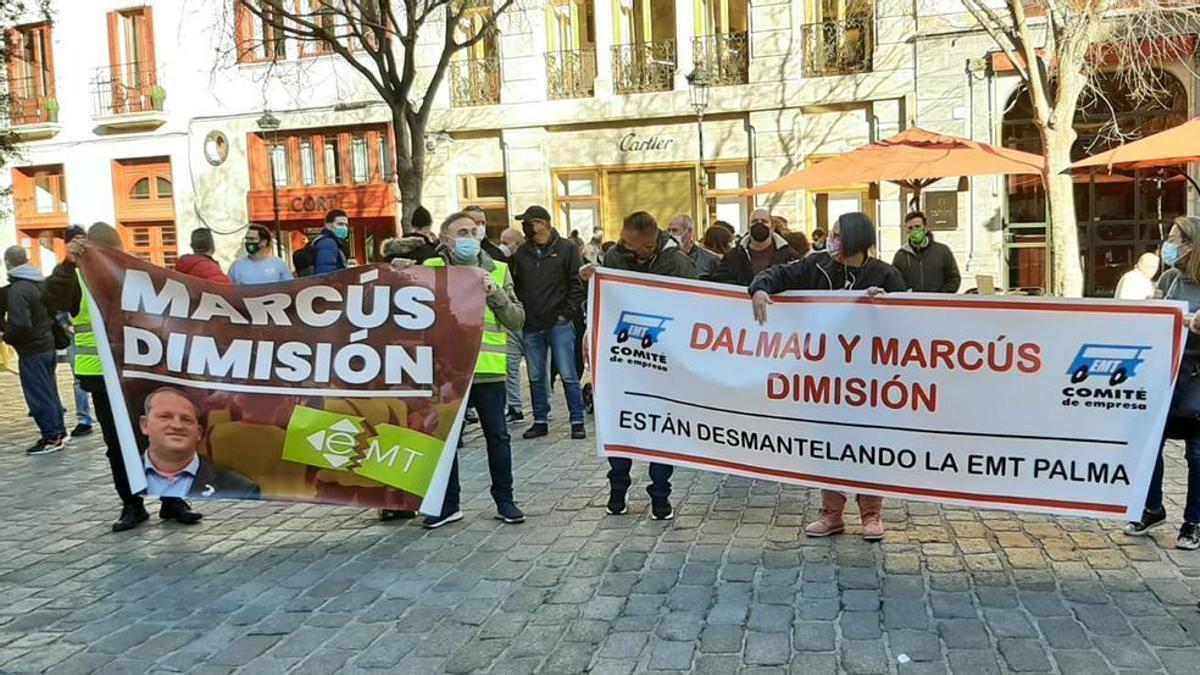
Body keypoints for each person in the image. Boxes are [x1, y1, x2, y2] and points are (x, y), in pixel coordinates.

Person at [748, 212, 907, 541]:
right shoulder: (816, 265)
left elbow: (908, 322)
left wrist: (887, 305)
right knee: (828, 442)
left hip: (869, 381)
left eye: (837, 235)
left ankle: (871, 513)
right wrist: (760, 289)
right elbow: (778, 273)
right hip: (825, 379)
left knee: (867, 443)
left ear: (856, 240)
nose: (831, 241)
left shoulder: (885, 274)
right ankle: (831, 512)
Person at [44, 223, 201, 531]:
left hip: (142, 373)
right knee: (117, 444)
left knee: (159, 437)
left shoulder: (135, 275)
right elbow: (51, 300)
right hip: (102, 376)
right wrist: (66, 263)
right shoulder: (75, 277)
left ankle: (171, 501)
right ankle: (132, 504)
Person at [406, 212, 526, 528]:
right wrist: (399, 275)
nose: (471, 237)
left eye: (474, 231)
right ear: (446, 239)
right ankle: (448, 505)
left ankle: (505, 500)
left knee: (498, 437)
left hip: (487, 370)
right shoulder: (430, 270)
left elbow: (516, 319)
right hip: (447, 371)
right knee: (445, 441)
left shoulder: (497, 268)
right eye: (463, 232)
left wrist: (496, 294)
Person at [582, 211, 696, 520]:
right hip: (624, 359)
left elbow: (694, 309)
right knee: (621, 420)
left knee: (661, 427)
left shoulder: (678, 265)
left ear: (647, 247)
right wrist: (593, 281)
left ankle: (660, 496)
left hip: (665, 362)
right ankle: (617, 491)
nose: (620, 246)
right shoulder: (618, 256)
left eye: (628, 243)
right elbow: (605, 298)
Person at [1126, 216, 1200, 550]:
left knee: (1197, 454)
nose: (1167, 245)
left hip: (1197, 376)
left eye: (1174, 238)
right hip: (1167, 373)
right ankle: (1153, 507)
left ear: (1192, 244)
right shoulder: (1170, 277)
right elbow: (1154, 316)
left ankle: (1194, 521)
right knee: (1150, 443)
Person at [509, 205, 587, 440]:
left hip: (559, 322)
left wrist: (566, 313)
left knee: (568, 373)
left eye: (530, 223)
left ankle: (577, 420)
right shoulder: (522, 254)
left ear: (543, 223)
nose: (526, 228)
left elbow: (577, 284)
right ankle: (540, 419)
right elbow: (515, 285)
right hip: (532, 324)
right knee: (535, 376)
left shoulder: (566, 249)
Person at [141, 387, 259, 501]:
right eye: (165, 417)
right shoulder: (123, 479)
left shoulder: (240, 490)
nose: (177, 426)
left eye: (186, 419)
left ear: (199, 432)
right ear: (145, 425)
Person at [2, 245, 66, 455]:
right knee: (50, 392)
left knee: (38, 394)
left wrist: (7, 336)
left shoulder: (19, 289)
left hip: (31, 349)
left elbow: (20, 324)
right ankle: (59, 431)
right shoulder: (39, 283)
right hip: (47, 345)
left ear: (8, 263)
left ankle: (51, 436)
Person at [706, 208, 799, 286]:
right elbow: (720, 283)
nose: (759, 224)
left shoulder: (790, 257)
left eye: (764, 221)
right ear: (749, 227)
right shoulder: (733, 257)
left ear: (772, 227)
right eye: (754, 222)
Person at [62, 224, 93, 439]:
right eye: (77, 240)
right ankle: (84, 419)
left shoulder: (97, 270)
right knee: (79, 383)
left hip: (106, 347)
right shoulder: (69, 275)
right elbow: (54, 302)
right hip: (81, 346)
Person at [892, 211, 961, 293]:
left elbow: (954, 279)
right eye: (910, 228)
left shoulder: (942, 251)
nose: (914, 231)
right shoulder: (901, 255)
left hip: (937, 303)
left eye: (917, 226)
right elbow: (894, 281)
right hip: (912, 303)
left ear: (925, 228)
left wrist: (941, 296)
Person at [499, 227, 527, 421]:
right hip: (511, 320)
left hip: (532, 321)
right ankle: (515, 407)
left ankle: (545, 407)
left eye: (506, 241)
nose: (502, 245)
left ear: (517, 243)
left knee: (538, 370)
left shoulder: (526, 261)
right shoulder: (500, 263)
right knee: (511, 366)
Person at [314, 209, 351, 275]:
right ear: (328, 225)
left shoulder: (331, 242)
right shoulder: (328, 243)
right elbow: (325, 273)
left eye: (346, 225)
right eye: (340, 224)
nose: (344, 228)